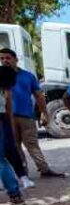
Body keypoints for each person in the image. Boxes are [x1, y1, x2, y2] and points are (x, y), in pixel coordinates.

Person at [0, 48, 65, 178]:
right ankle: (22, 174)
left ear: (16, 59)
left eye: (8, 58)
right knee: (13, 147)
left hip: (26, 117)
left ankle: (44, 169)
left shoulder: (28, 76)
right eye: (2, 59)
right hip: (5, 118)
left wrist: (44, 113)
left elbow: (39, 95)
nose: (4, 61)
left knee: (32, 144)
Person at [0, 66, 25, 205]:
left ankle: (14, 193)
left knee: (1, 159)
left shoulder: (4, 89)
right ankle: (14, 193)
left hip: (2, 120)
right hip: (2, 120)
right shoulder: (4, 89)